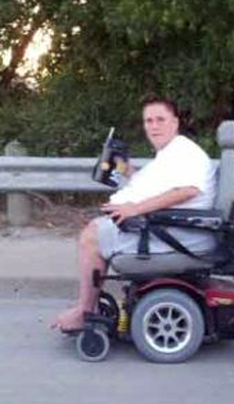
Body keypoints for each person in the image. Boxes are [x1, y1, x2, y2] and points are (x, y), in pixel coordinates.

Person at [52, 95, 216, 331]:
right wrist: (126, 169)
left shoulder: (185, 153)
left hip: (181, 234)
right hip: (170, 227)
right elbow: (156, 184)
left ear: (175, 122)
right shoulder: (171, 153)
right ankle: (89, 306)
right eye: (149, 121)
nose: (154, 126)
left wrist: (134, 209)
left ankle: (85, 311)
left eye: (160, 119)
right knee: (96, 228)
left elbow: (188, 190)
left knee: (91, 238)